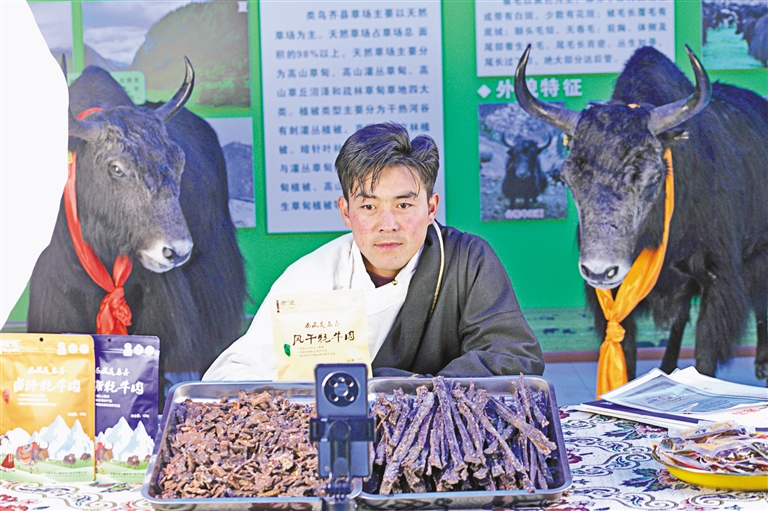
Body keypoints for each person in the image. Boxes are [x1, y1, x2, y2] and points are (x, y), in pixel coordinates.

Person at [203, 122, 544, 380]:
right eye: (368, 207)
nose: (388, 224)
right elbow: (233, 373)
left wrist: (398, 390)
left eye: (404, 205)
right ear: (345, 211)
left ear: (431, 207)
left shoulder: (466, 260)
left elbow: (514, 354)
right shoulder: (312, 276)